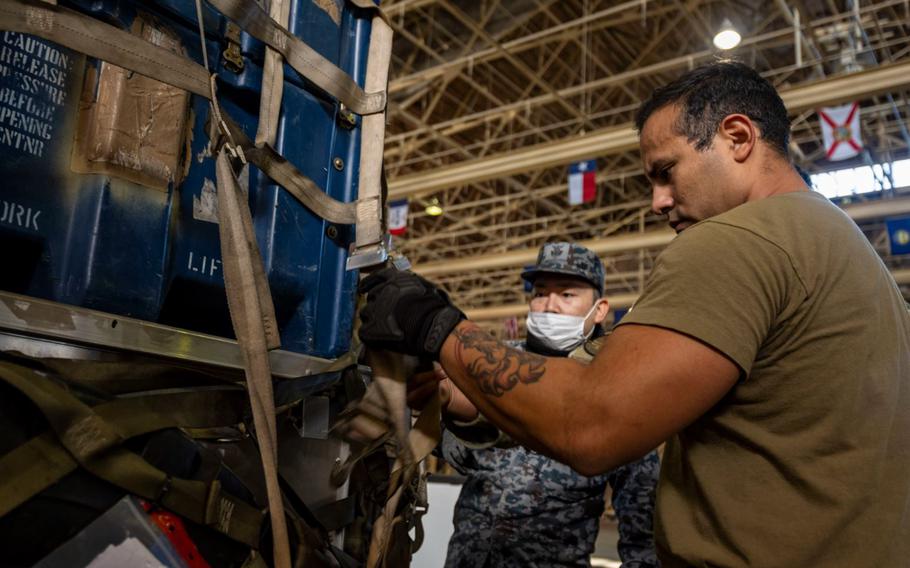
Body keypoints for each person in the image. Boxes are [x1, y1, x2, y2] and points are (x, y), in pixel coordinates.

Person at [358, 61, 910, 567]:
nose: (658, 201)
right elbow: (611, 379)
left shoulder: (739, 241)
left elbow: (590, 423)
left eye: (667, 171)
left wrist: (438, 327)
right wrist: (471, 401)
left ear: (738, 138)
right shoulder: (848, 254)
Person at [408, 242, 660, 568]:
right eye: (540, 292)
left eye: (567, 295)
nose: (549, 306)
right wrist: (449, 410)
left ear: (599, 309)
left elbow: (642, 521)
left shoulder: (613, 383)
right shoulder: (491, 364)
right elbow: (456, 455)